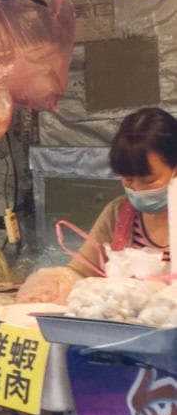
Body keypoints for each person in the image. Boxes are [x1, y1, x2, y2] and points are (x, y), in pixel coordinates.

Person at [17, 106, 177, 302]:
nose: (137, 189)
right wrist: (51, 288)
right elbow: (79, 271)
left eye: (148, 180)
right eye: (128, 179)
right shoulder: (119, 214)